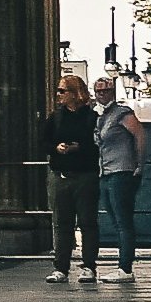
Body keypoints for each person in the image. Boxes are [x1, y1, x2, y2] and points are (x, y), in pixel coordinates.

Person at [38, 68, 106, 286]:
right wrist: (55, 148)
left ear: (76, 93)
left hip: (85, 174)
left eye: (62, 91)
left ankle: (89, 266)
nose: (59, 95)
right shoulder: (55, 117)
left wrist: (79, 147)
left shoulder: (92, 117)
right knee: (61, 223)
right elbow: (43, 141)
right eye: (58, 91)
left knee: (87, 222)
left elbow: (98, 145)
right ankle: (61, 267)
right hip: (60, 174)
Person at [97, 80, 151, 279]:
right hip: (106, 172)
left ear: (113, 92)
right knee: (117, 221)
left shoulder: (121, 113)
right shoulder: (102, 117)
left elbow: (140, 134)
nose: (102, 94)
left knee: (123, 221)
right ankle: (123, 266)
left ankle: (125, 268)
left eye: (106, 90)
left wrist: (139, 164)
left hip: (122, 171)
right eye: (98, 91)